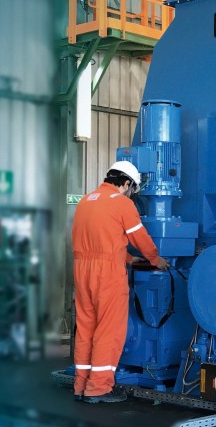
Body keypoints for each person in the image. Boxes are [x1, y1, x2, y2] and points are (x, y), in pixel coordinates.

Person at [72, 160, 169, 403]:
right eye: (132, 188)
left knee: (85, 327)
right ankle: (98, 388)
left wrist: (127, 258)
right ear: (126, 183)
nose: (131, 193)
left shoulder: (85, 201)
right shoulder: (122, 203)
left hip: (82, 269)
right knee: (109, 329)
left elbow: (98, 239)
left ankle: (81, 385)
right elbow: (140, 237)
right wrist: (155, 259)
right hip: (107, 274)